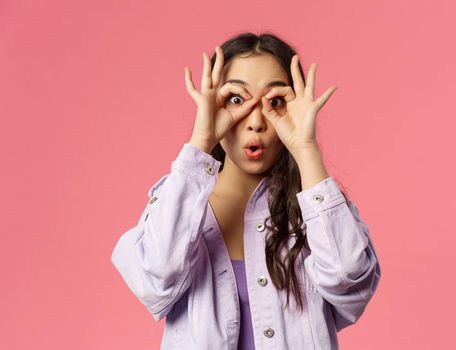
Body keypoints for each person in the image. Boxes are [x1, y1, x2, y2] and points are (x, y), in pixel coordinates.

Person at [111, 31, 381, 350]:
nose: (255, 121)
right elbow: (155, 280)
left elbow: (351, 281)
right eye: (236, 99)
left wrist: (306, 149)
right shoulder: (182, 203)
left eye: (275, 101)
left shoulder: (316, 209)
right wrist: (201, 140)